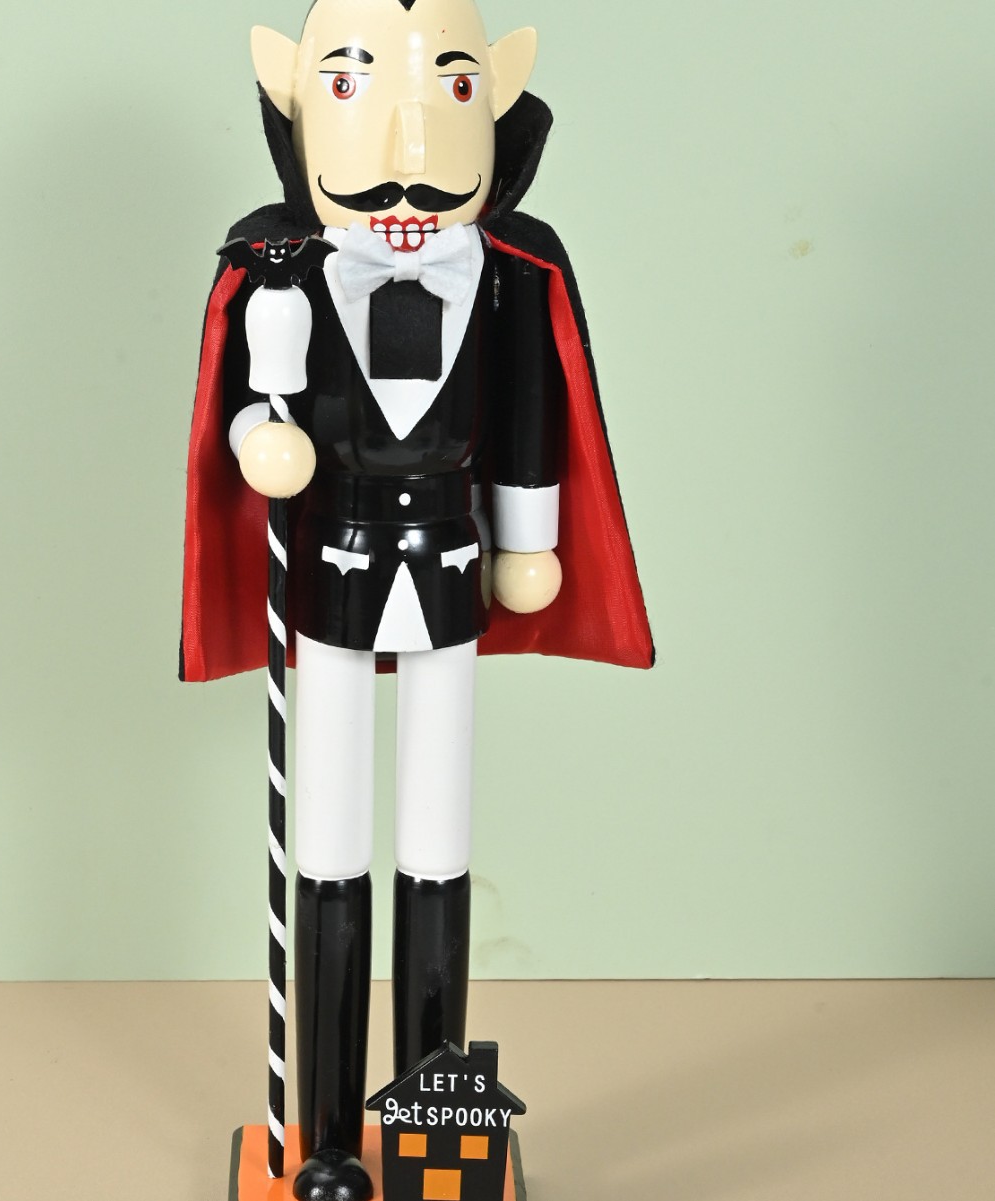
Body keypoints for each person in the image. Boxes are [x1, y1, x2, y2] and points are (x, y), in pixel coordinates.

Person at [180, 2, 653, 1197]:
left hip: (451, 564)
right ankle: (331, 1133)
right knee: (328, 849)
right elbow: (249, 400)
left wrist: (529, 540)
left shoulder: (510, 277)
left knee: (436, 844)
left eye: (446, 91)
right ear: (295, 107)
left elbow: (534, 413)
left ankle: (434, 1118)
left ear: (494, 104)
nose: (404, 155)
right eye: (350, 89)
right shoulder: (278, 270)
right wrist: (260, 438)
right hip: (329, 571)